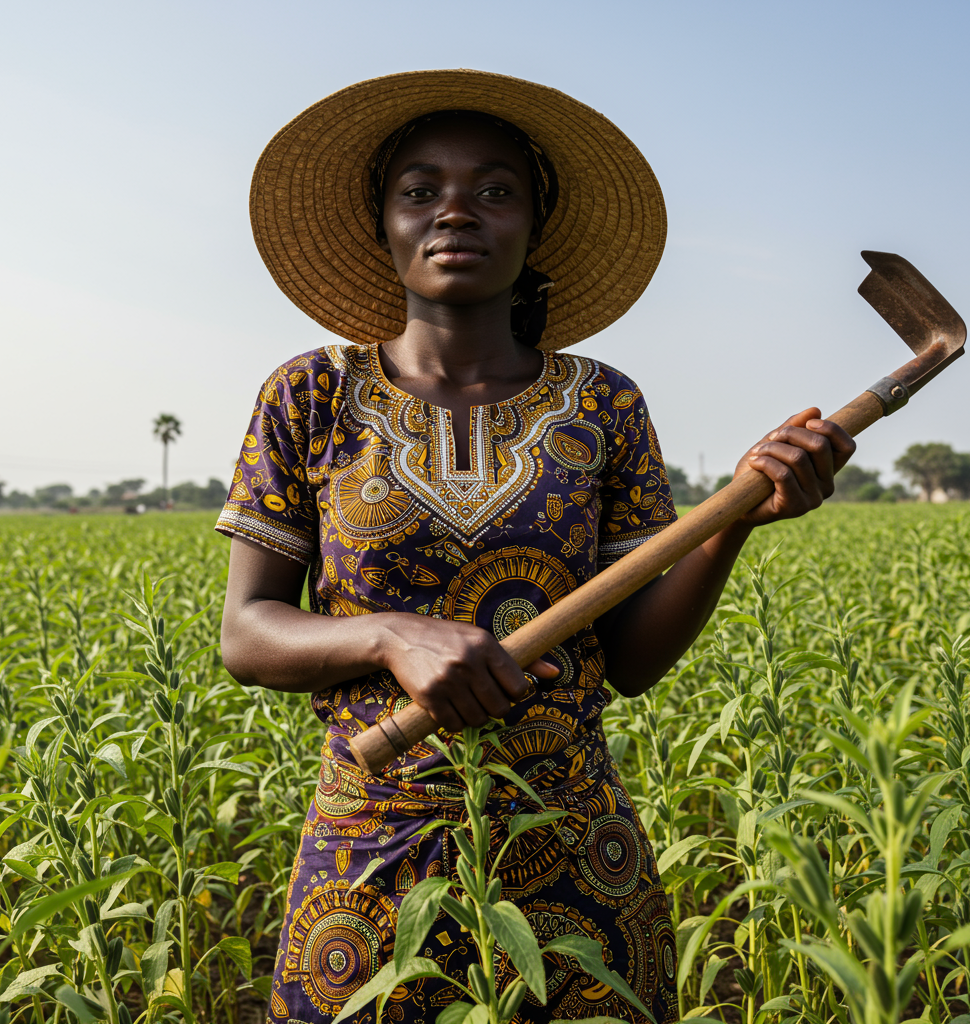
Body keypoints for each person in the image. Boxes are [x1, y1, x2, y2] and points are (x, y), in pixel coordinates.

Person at [217, 70, 854, 1024]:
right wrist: (390, 635)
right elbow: (248, 635)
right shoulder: (309, 395)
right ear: (382, 223)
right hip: (368, 855)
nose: (456, 212)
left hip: (574, 851)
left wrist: (733, 524)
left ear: (534, 225)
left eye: (496, 190)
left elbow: (633, 659)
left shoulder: (603, 403)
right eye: (420, 190)